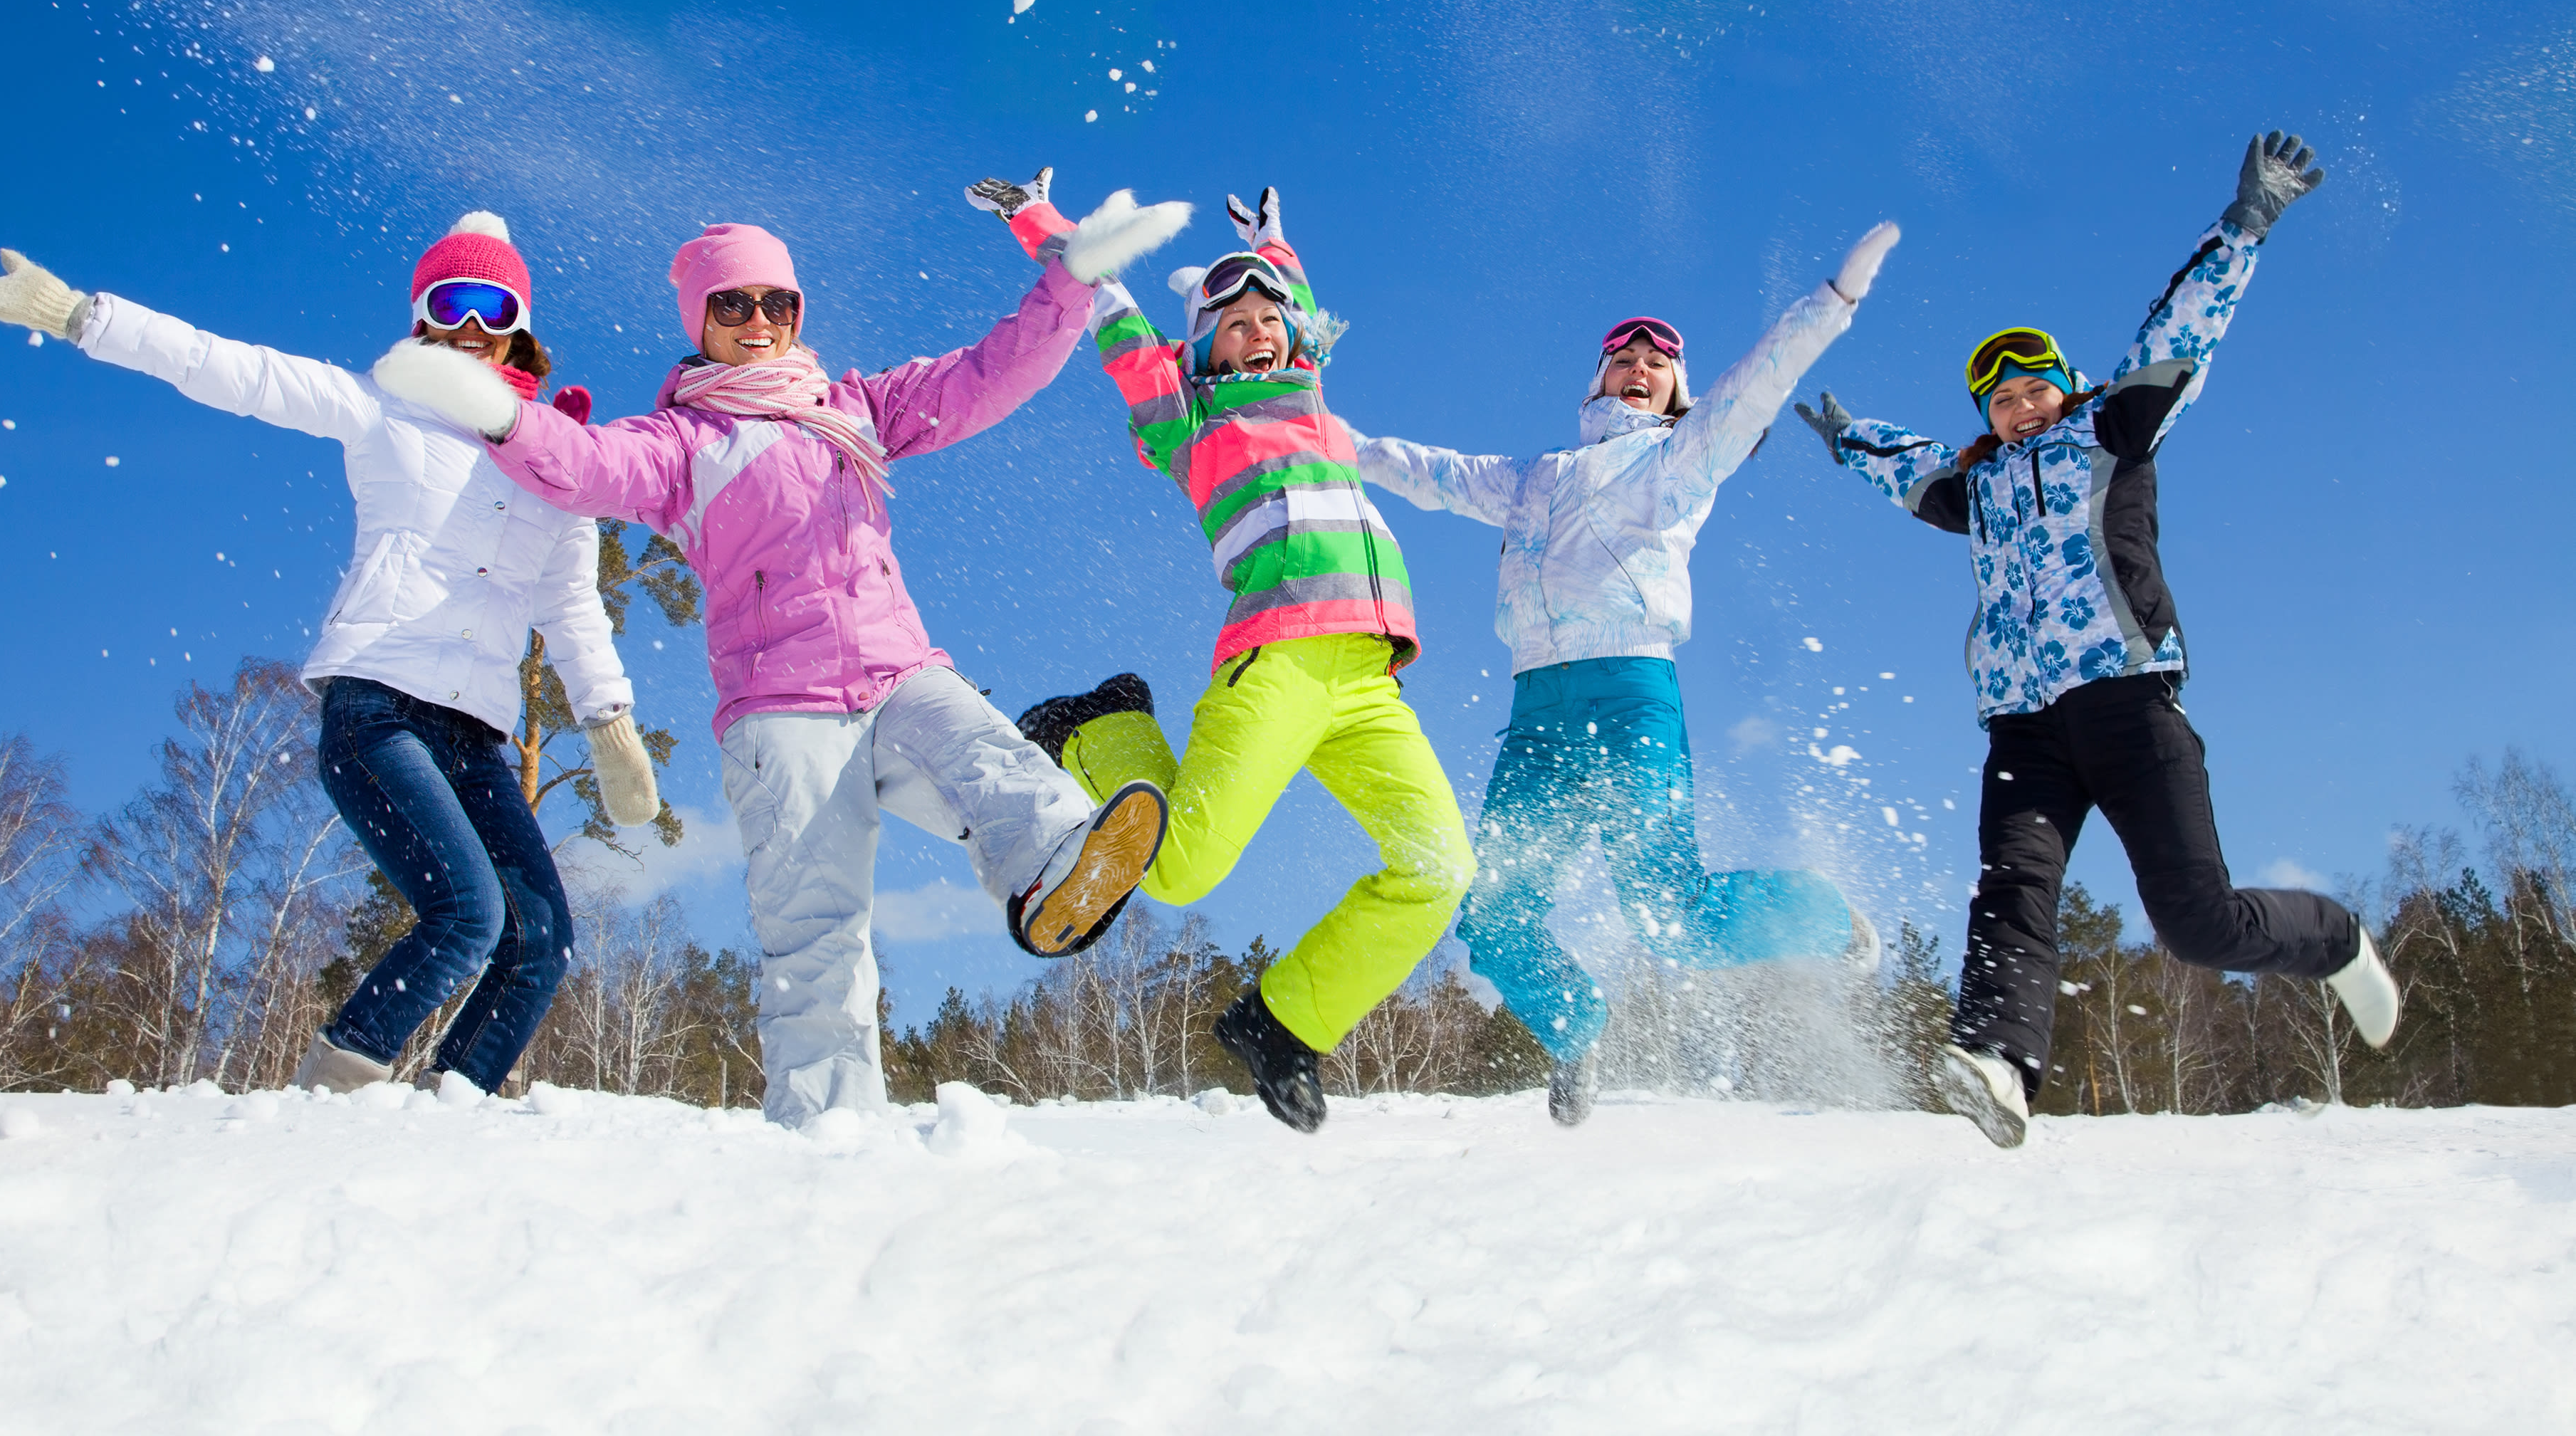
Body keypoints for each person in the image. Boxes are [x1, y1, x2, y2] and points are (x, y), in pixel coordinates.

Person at [375, 173, 1192, 1128]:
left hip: (897, 674)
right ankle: (828, 1135)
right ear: (701, 318)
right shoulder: (679, 441)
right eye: (733, 303)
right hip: (782, 710)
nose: (756, 318)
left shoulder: (855, 408)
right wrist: (501, 413)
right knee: (817, 933)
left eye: (776, 301)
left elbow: (984, 377)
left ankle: (1059, 868)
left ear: (798, 312)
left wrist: (1070, 283)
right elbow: (585, 467)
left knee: (989, 753)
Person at [0, 213, 660, 1096]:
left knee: (540, 938)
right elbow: (229, 369)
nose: (470, 324)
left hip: (477, 737)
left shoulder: (557, 465)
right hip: (379, 707)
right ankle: (327, 1100)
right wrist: (81, 314)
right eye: (449, 299)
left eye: (491, 302)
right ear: (421, 315)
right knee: (467, 914)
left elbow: (573, 605)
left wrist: (610, 721)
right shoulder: (382, 407)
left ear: (519, 321)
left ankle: (451, 1114)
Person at [1793, 132, 2400, 1148]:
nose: (2021, 407)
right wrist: (1851, 439)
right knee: (2013, 884)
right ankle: (1997, 1061)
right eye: (2002, 397)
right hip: (2025, 729)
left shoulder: (2113, 435)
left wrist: (2245, 225)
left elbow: (2179, 333)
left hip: (2129, 703)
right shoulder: (1975, 489)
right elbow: (1910, 469)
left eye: (2036, 388)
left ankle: (2332, 938)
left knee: (2197, 925)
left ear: (2065, 388)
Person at [1347, 221, 1902, 1126]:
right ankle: (1577, 1027)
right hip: (1536, 718)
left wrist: (1831, 305)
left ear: (1677, 389)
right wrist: (1331, 438)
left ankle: (1829, 917)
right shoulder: (1535, 476)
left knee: (1671, 918)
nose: (1639, 365)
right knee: (1492, 919)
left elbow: (1758, 383)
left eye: (1659, 360)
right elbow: (1430, 472)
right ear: (1595, 378)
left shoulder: (1680, 459)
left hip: (1630, 697)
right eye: (1621, 356)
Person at [1011, 183, 1475, 1134]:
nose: (1259, 333)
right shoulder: (1192, 427)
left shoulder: (1312, 401)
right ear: (1204, 349)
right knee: (1176, 873)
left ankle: (1281, 1024)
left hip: (1371, 683)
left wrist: (1273, 242)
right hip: (1278, 660)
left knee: (1439, 866)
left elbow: (1293, 303)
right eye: (1235, 325)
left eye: (1272, 319)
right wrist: (1046, 228)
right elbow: (1113, 315)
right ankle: (1101, 725)